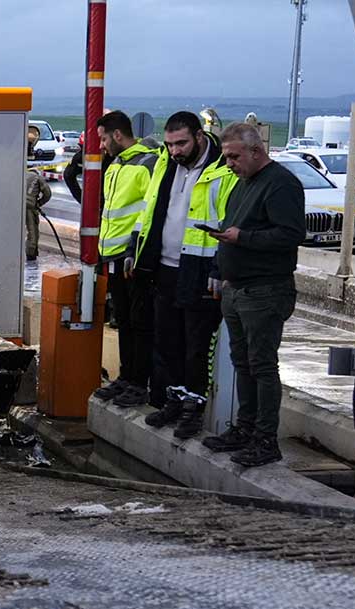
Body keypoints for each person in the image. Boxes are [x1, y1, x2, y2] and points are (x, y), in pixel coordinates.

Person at [201, 123, 304, 467]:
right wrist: (223, 269)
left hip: (265, 290)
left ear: (256, 151)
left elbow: (289, 235)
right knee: (242, 362)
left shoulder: (281, 184)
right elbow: (232, 226)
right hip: (238, 288)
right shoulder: (242, 184)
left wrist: (242, 239)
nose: (229, 163)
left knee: (261, 365)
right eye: (226, 156)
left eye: (234, 156)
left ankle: (265, 439)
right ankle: (244, 429)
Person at [134, 112, 238, 437]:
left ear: (199, 136)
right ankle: (174, 400)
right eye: (170, 144)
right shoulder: (166, 164)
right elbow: (151, 210)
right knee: (167, 341)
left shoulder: (223, 171)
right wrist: (136, 251)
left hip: (200, 269)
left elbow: (229, 223)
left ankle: (194, 406)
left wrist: (220, 268)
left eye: (181, 143)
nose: (176, 150)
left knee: (196, 344)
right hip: (164, 266)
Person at [90, 110, 162, 408]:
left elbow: (150, 212)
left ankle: (138, 382)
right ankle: (127, 376)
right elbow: (109, 212)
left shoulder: (146, 164)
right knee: (123, 321)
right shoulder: (116, 165)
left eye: (104, 139)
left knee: (139, 322)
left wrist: (135, 249)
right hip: (113, 256)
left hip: (135, 258)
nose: (102, 146)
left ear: (118, 135)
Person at [25, 130, 52, 263]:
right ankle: (31, 255)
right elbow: (48, 194)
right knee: (32, 231)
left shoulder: (19, 174)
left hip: (16, 205)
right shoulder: (37, 177)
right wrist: (39, 204)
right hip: (30, 207)